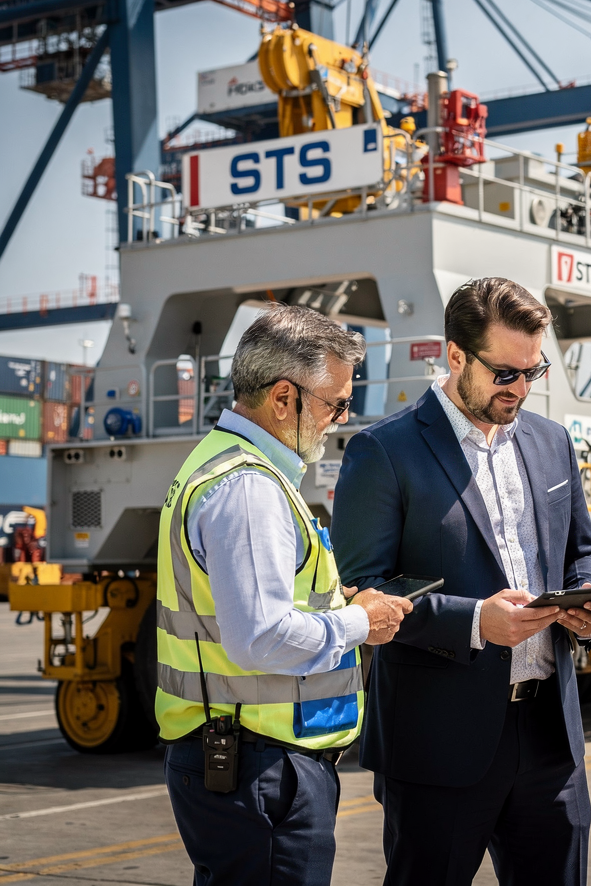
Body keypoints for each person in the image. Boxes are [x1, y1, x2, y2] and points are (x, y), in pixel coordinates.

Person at [333, 277, 591, 886]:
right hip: (438, 742)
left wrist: (587, 597)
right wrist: (474, 622)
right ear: (455, 355)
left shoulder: (552, 442)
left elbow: (584, 552)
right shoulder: (384, 451)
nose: (520, 389)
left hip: (549, 740)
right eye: (506, 373)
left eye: (532, 372)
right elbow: (360, 589)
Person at [156, 303, 412, 886]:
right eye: (336, 403)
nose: (340, 419)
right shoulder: (250, 489)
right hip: (260, 765)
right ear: (283, 398)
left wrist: (330, 604)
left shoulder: (218, 464)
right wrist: (357, 621)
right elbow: (262, 639)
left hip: (238, 754)